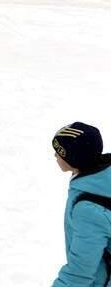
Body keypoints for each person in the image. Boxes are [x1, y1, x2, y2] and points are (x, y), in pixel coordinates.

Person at [51, 122, 111, 286]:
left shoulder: (89, 210)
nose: (55, 156)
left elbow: (79, 274)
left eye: (59, 152)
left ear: (74, 159)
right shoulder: (104, 177)